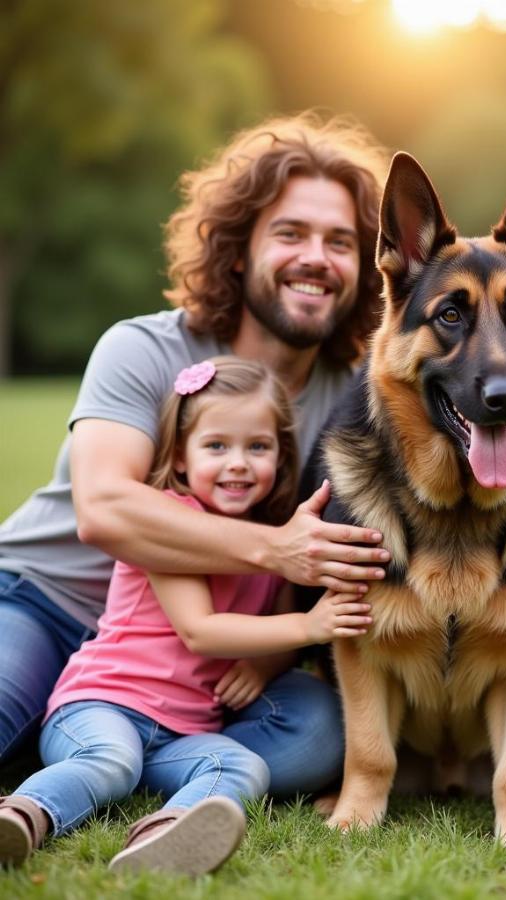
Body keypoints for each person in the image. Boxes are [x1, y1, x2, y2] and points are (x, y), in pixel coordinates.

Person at [0, 111, 391, 793]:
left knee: (320, 732)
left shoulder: (357, 396)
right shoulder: (145, 348)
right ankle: (88, 734)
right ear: (239, 250)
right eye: (291, 234)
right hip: (46, 602)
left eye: (341, 242)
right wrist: (274, 550)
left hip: (200, 658)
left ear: (365, 267)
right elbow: (106, 509)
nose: (316, 259)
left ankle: (107, 751)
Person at [0, 357, 373, 873]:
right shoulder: (171, 526)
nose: (238, 463)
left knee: (241, 765)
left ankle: (167, 833)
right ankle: (25, 814)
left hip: (180, 734)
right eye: (216, 446)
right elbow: (201, 631)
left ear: (282, 457)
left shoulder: (279, 537)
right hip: (100, 706)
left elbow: (282, 631)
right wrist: (311, 626)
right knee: (109, 759)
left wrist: (265, 666)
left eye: (257, 447)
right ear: (179, 457)